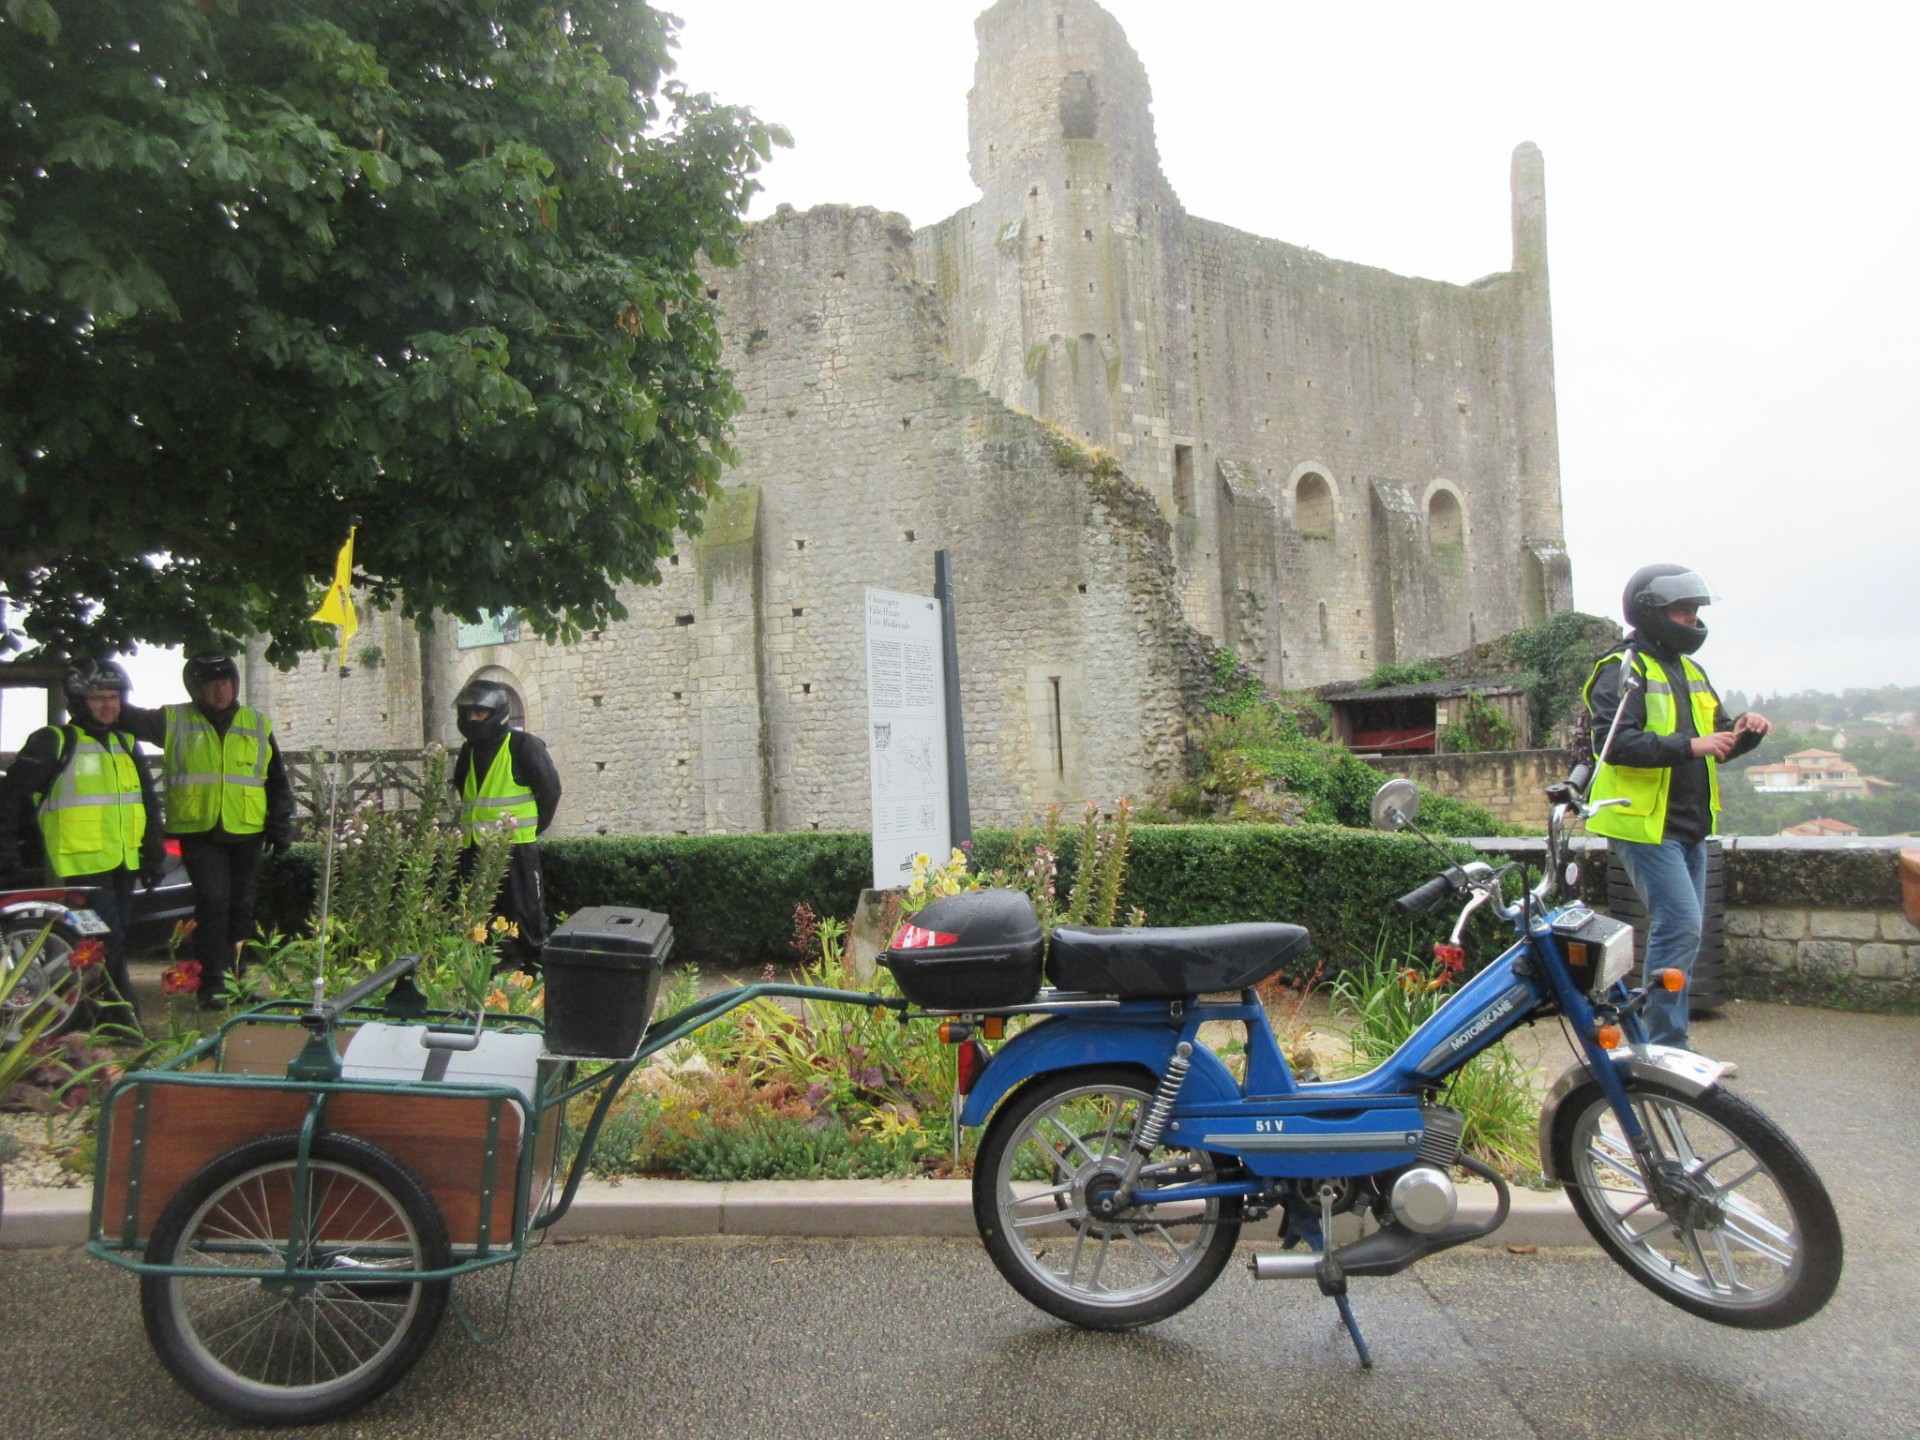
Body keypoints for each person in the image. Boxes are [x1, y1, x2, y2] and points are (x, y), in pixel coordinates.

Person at [1583, 564, 1771, 1048]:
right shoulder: (1622, 667)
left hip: (1690, 825)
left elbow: (1718, 741)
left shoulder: (1691, 670)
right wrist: (1691, 746)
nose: (1692, 619)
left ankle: (1665, 1041)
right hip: (1642, 823)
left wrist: (1744, 732)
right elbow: (1613, 744)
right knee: (1680, 927)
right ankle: (1664, 1047)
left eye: (1694, 610)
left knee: (1684, 931)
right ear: (1651, 613)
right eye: (1682, 611)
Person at [119, 653, 294, 1008]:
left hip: (246, 831)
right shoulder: (174, 719)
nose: (221, 690)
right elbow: (125, 716)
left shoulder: (256, 723)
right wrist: (107, 689)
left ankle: (237, 981)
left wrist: (280, 827)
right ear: (195, 689)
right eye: (212, 684)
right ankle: (212, 984)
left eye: (226, 682)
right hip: (199, 832)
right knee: (213, 903)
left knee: (241, 909)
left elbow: (277, 780)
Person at [0, 659, 164, 1030]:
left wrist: (152, 853)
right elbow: (11, 798)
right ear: (78, 702)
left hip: (122, 863)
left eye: (114, 697)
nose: (109, 705)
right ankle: (123, 1021)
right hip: (76, 867)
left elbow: (147, 804)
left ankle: (91, 1019)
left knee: (105, 946)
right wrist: (8, 853)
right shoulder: (53, 741)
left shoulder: (125, 743)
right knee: (108, 943)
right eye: (98, 698)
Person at [449, 680, 560, 966]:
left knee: (528, 917)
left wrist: (532, 829)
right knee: (479, 919)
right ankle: (487, 973)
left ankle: (536, 975)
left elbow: (550, 790)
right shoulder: (468, 751)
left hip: (516, 848)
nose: (473, 718)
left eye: (480, 712)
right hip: (475, 850)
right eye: (468, 712)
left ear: (496, 713)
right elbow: (465, 792)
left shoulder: (523, 746)